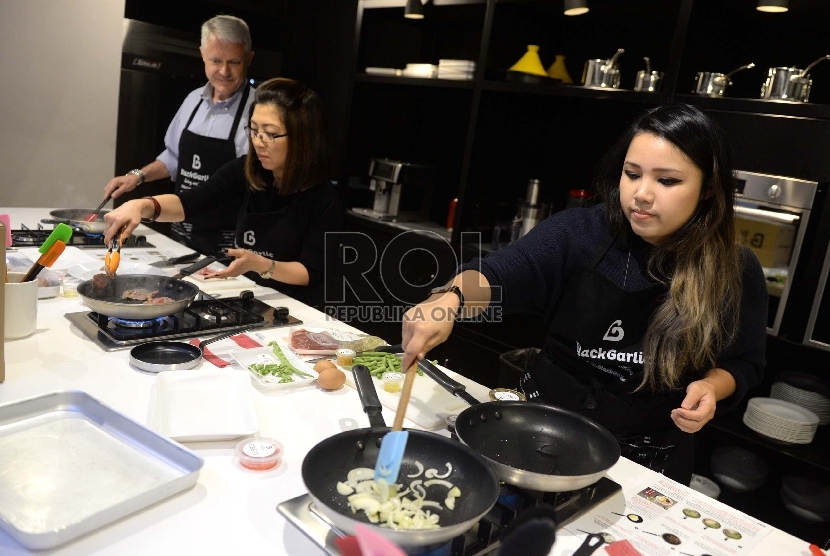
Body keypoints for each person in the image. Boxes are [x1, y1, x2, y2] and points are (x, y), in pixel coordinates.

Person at [400, 104, 767, 485]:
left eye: (668, 181)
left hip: (647, 453)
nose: (641, 194)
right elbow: (500, 274)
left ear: (708, 188)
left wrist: (710, 386)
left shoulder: (734, 267)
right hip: (542, 425)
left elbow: (743, 362)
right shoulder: (579, 233)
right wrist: (450, 300)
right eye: (632, 174)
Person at [103, 77, 342, 308]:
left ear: (302, 137)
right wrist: (142, 206)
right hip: (250, 293)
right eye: (255, 130)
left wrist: (261, 264)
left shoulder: (322, 198)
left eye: (270, 133)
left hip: (293, 307)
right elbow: (190, 203)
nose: (258, 142)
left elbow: (310, 272)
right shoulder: (247, 170)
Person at [103, 15, 256, 256]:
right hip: (181, 231)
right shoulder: (193, 100)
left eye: (234, 62)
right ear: (203, 55)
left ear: (249, 59)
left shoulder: (258, 111)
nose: (224, 71)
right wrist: (137, 176)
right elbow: (175, 157)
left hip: (228, 240)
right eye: (216, 60)